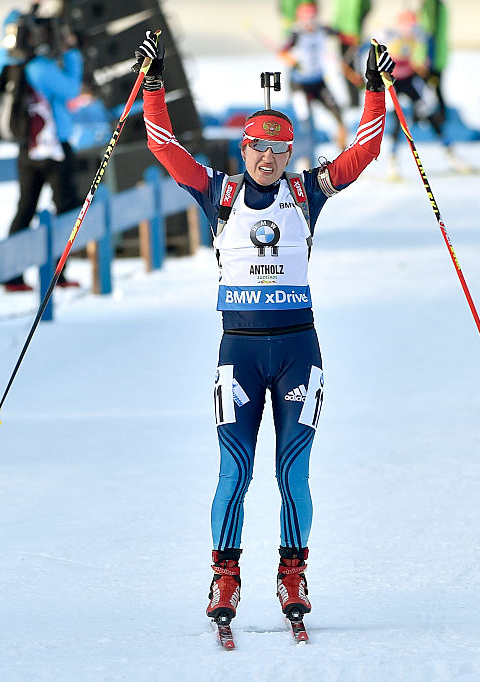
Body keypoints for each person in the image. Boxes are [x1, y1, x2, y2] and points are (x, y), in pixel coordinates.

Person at [132, 31, 394, 631]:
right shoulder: (220, 194)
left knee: (292, 472)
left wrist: (375, 90)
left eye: (278, 151)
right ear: (244, 150)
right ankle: (225, 577)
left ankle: (293, 571)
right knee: (235, 470)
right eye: (257, 150)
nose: (267, 160)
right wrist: (153, 86)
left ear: (289, 155)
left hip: (298, 349)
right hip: (239, 354)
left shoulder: (305, 192)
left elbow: (363, 153)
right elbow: (165, 147)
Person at [0, 6, 83, 292]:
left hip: (26, 150)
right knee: (67, 209)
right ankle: (57, 273)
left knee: (25, 209)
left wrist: (18, 19)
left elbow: (7, 39)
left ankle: (11, 274)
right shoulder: (41, 68)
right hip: (55, 149)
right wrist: (71, 52)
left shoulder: (5, 62)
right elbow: (71, 89)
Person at [382, 10, 463, 180]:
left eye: (413, 26)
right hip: (394, 81)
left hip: (410, 80)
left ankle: (450, 153)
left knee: (429, 112)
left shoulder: (418, 36)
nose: (410, 30)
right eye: (407, 26)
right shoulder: (392, 38)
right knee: (400, 118)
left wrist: (425, 71)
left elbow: (419, 59)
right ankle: (392, 160)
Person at [279, 3, 352, 153]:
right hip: (300, 83)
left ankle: (344, 151)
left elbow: (343, 36)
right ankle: (300, 153)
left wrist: (352, 40)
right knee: (303, 118)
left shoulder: (322, 29)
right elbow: (283, 53)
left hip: (318, 81)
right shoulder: (296, 34)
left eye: (313, 19)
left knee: (338, 113)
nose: (310, 24)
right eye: (307, 20)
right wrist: (291, 59)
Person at [331, 0, 372, 108]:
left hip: (352, 35)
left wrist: (357, 29)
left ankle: (358, 101)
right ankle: (355, 101)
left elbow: (367, 8)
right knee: (347, 68)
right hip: (342, 33)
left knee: (351, 68)